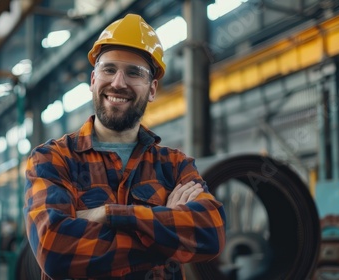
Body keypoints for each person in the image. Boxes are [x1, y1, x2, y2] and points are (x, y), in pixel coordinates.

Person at [23, 13, 226, 280]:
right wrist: (166, 232)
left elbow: (209, 234)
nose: (118, 83)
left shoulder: (175, 165)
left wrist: (108, 214)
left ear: (152, 89)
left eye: (134, 73)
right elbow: (55, 251)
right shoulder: (52, 160)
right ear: (93, 80)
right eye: (109, 69)